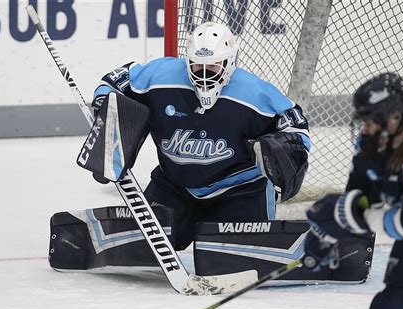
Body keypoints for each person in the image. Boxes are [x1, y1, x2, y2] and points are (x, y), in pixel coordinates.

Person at [89, 22, 311, 252]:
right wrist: (105, 105)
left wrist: (284, 149)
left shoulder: (254, 93)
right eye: (197, 66)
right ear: (188, 61)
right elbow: (113, 82)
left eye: (213, 66)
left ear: (230, 62)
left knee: (230, 259)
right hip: (175, 185)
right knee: (138, 250)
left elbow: (296, 125)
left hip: (240, 191)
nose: (204, 74)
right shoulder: (161, 76)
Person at [302, 72, 403, 309]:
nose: (365, 128)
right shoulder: (372, 142)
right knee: (392, 308)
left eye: (372, 120)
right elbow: (362, 191)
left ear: (396, 117)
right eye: (364, 120)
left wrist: (359, 217)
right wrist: (330, 233)